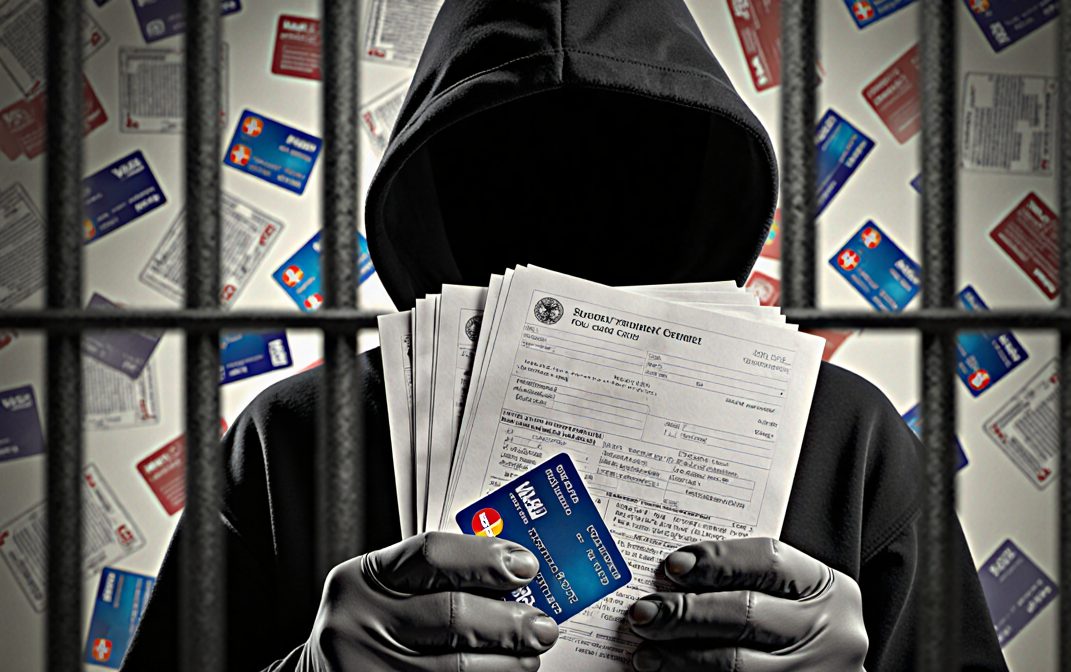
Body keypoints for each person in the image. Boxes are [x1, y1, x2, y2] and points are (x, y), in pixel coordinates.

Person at [123, 1, 1008, 670]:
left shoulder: (849, 437)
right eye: (512, 167)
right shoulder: (289, 440)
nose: (578, 199)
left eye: (634, 162)